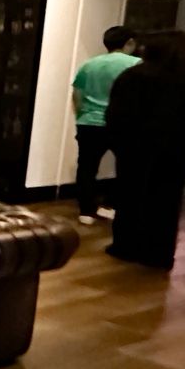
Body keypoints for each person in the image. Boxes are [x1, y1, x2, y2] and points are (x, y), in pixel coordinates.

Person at [104, 29, 185, 269]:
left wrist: (118, 143)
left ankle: (126, 246)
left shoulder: (132, 77)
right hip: (175, 150)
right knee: (166, 201)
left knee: (130, 195)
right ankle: (159, 253)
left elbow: (115, 116)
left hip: (134, 147)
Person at [70, 25, 138, 224]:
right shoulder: (136, 65)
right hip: (122, 123)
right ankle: (111, 205)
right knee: (127, 166)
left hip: (89, 122)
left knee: (87, 167)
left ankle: (86, 211)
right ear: (130, 42)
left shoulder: (89, 65)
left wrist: (82, 116)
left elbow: (77, 94)